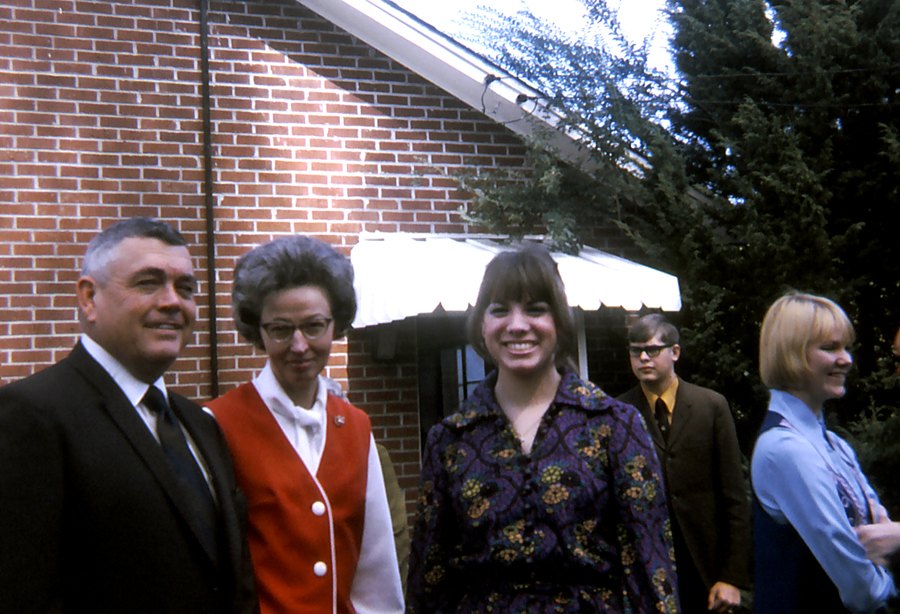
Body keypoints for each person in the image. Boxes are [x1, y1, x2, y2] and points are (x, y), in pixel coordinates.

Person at [0, 217, 258, 614]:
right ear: (89, 298)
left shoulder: (200, 424)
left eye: (185, 288)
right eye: (148, 283)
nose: (173, 301)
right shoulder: (31, 415)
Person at [407, 245, 678, 614]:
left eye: (535, 309)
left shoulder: (614, 426)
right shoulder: (450, 440)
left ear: (560, 322)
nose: (517, 325)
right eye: (499, 310)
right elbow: (428, 585)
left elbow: (651, 570)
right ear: (482, 325)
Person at [205, 235, 404, 614]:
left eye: (314, 326)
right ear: (259, 330)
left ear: (335, 323)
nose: (299, 346)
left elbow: (375, 571)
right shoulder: (218, 423)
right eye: (281, 329)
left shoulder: (357, 427)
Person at [752, 292, 896, 613]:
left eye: (847, 347)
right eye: (830, 348)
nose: (846, 360)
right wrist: (889, 584)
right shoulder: (785, 449)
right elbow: (862, 590)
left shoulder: (835, 446)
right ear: (789, 354)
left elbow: (882, 534)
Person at [617, 314, 751, 613]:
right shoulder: (620, 413)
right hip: (646, 570)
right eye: (635, 351)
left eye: (652, 350)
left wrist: (732, 577)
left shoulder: (710, 406)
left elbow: (734, 497)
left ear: (675, 352)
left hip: (706, 570)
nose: (643, 358)